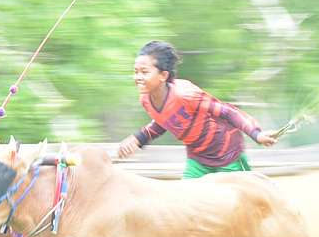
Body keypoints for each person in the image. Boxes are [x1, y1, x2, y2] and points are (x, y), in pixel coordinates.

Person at [117, 40, 278, 179]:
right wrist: (136, 140)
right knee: (186, 203)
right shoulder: (146, 100)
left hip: (226, 153)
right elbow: (163, 122)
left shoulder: (184, 94)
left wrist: (257, 134)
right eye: (136, 72)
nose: (138, 77)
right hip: (198, 158)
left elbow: (226, 111)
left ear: (163, 75)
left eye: (144, 72)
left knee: (239, 204)